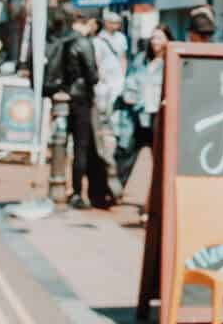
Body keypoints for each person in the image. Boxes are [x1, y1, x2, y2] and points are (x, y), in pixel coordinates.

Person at [43, 11, 111, 210]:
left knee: (62, 143)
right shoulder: (82, 43)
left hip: (63, 97)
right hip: (81, 99)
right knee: (81, 147)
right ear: (88, 22)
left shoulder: (63, 40)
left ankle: (60, 185)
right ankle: (76, 192)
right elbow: (93, 75)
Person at [119, 32, 168, 201]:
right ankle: (116, 190)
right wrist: (129, 95)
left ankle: (159, 197)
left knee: (161, 159)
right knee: (126, 152)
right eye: (153, 37)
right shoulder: (141, 60)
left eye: (160, 37)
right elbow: (129, 81)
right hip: (139, 113)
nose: (155, 41)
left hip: (159, 116)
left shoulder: (171, 62)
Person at [92, 11, 131, 181]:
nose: (115, 25)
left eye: (117, 23)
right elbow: (97, 60)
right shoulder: (98, 40)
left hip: (117, 82)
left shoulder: (121, 39)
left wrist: (123, 76)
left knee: (115, 113)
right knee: (102, 112)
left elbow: (123, 57)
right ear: (106, 23)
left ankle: (113, 135)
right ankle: (103, 139)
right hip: (104, 83)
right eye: (112, 22)